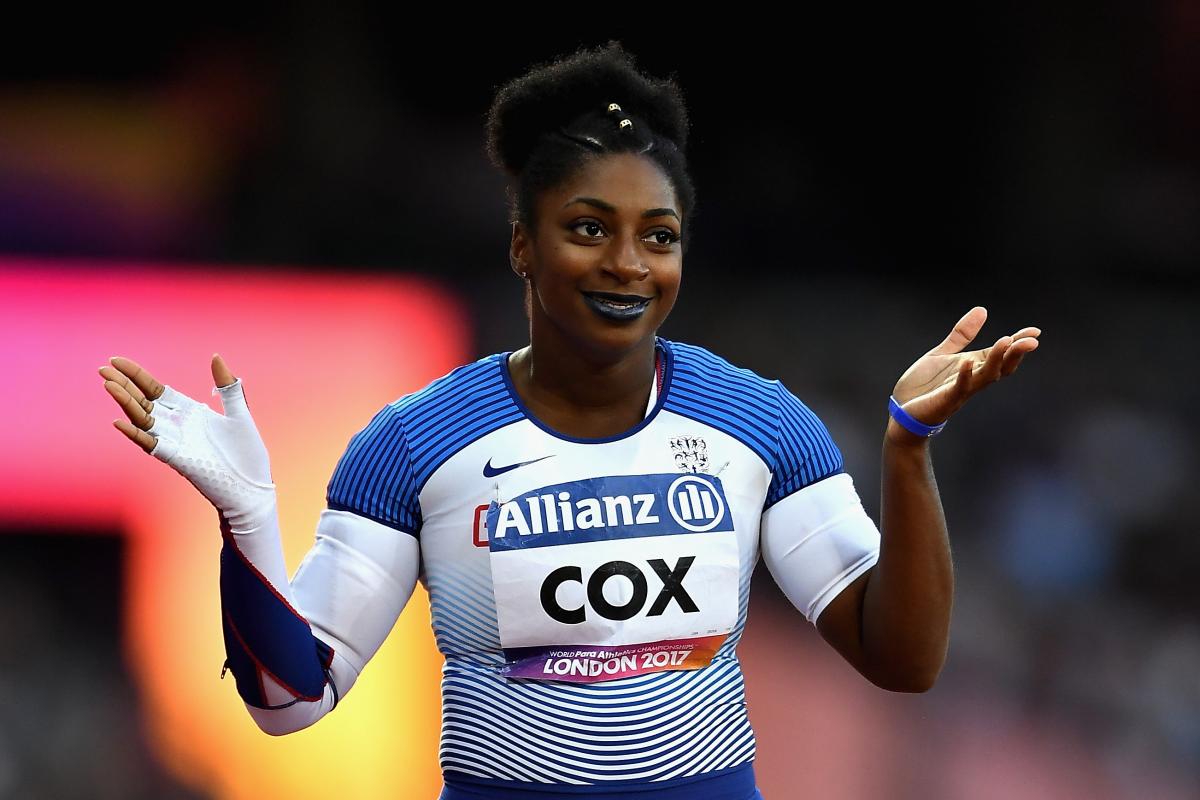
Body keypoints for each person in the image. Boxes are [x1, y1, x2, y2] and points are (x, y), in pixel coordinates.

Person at [99, 41, 1040, 800]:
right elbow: (288, 703)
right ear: (522, 243)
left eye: (658, 236)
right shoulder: (413, 445)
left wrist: (907, 449)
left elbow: (904, 660)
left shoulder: (760, 425)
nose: (628, 262)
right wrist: (248, 516)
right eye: (589, 228)